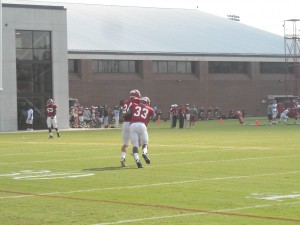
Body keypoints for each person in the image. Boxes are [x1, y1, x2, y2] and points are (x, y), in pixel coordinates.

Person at [127, 96, 155, 168]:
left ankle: (137, 160)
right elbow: (154, 117)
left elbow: (128, 113)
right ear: (147, 103)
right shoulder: (150, 109)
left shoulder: (134, 105)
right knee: (145, 144)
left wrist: (123, 117)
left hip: (132, 125)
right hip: (142, 125)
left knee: (135, 145)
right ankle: (144, 153)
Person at [120, 89, 141, 167]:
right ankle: (134, 153)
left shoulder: (125, 102)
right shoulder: (138, 101)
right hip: (133, 123)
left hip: (125, 123)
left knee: (125, 144)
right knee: (142, 140)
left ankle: (123, 158)